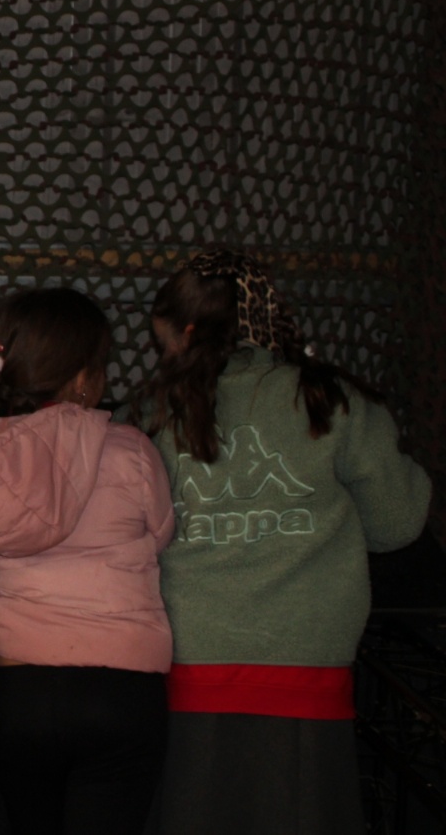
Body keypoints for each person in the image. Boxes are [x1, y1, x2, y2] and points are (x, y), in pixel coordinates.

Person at [135, 250, 431, 835]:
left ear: (188, 334)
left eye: (163, 344)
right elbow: (397, 524)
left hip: (190, 663)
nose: (163, 359)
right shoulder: (330, 399)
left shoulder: (153, 410)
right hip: (308, 662)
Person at [0, 288, 173, 835]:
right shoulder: (132, 449)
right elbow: (161, 537)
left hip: (24, 697)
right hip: (123, 694)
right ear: (85, 376)